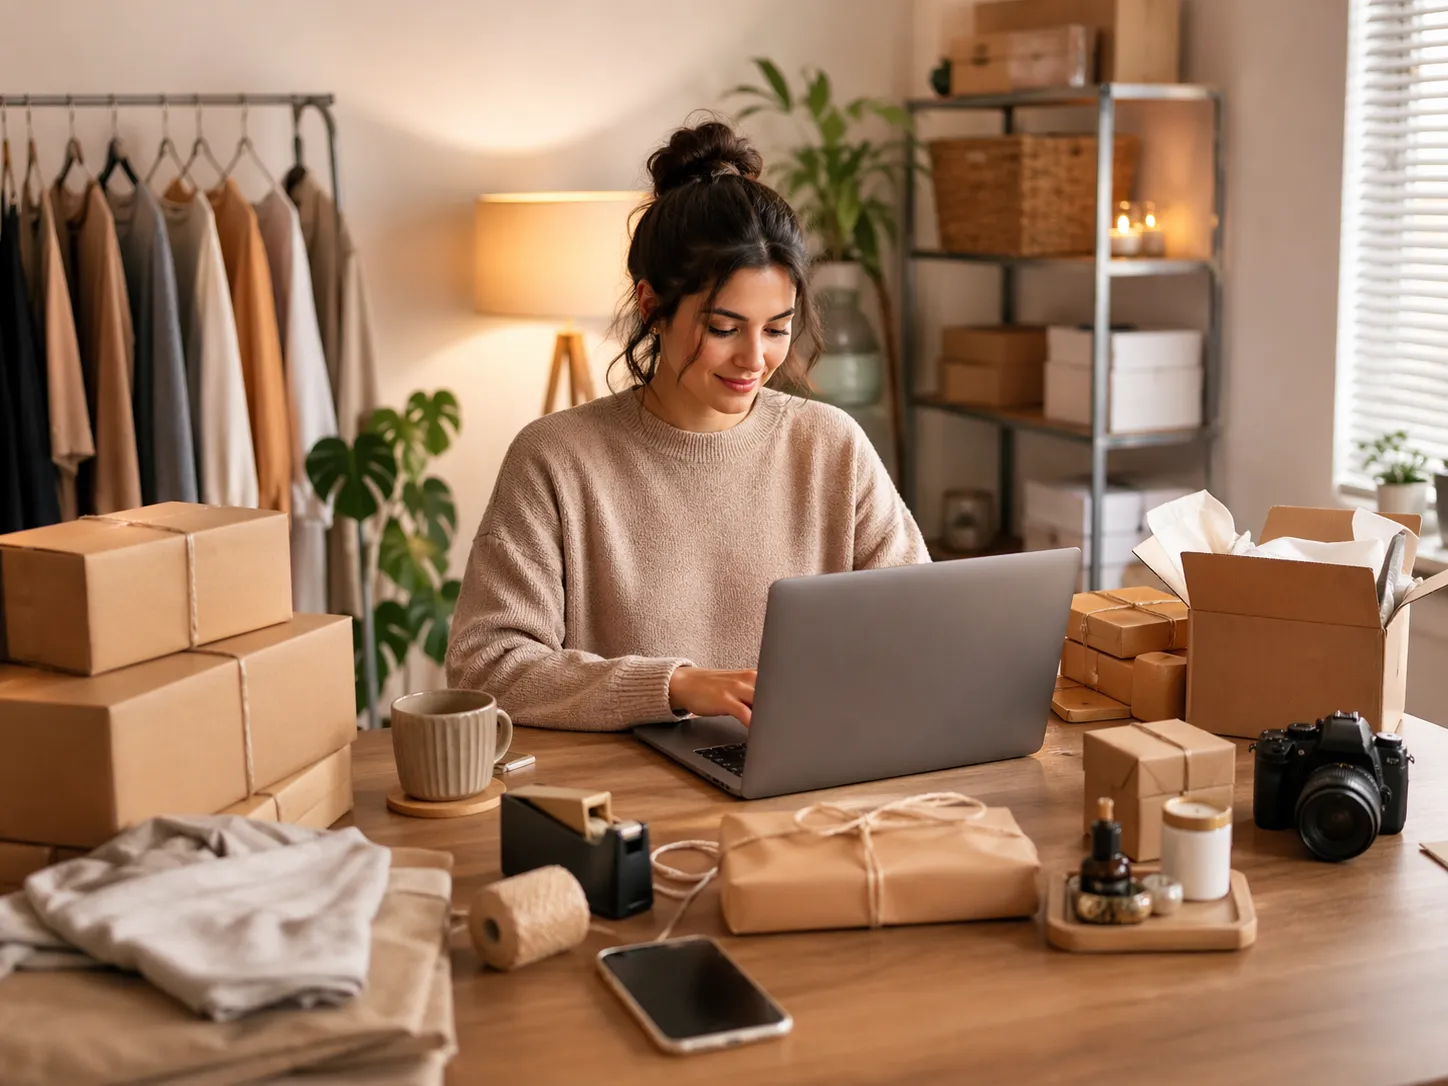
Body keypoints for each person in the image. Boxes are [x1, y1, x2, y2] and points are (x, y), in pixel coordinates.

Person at [445, 119, 929, 731]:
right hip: (630, 794)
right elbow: (486, 665)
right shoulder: (556, 457)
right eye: (724, 328)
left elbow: (918, 626)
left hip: (806, 770)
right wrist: (673, 686)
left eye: (777, 328)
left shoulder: (830, 445)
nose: (755, 360)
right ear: (651, 307)